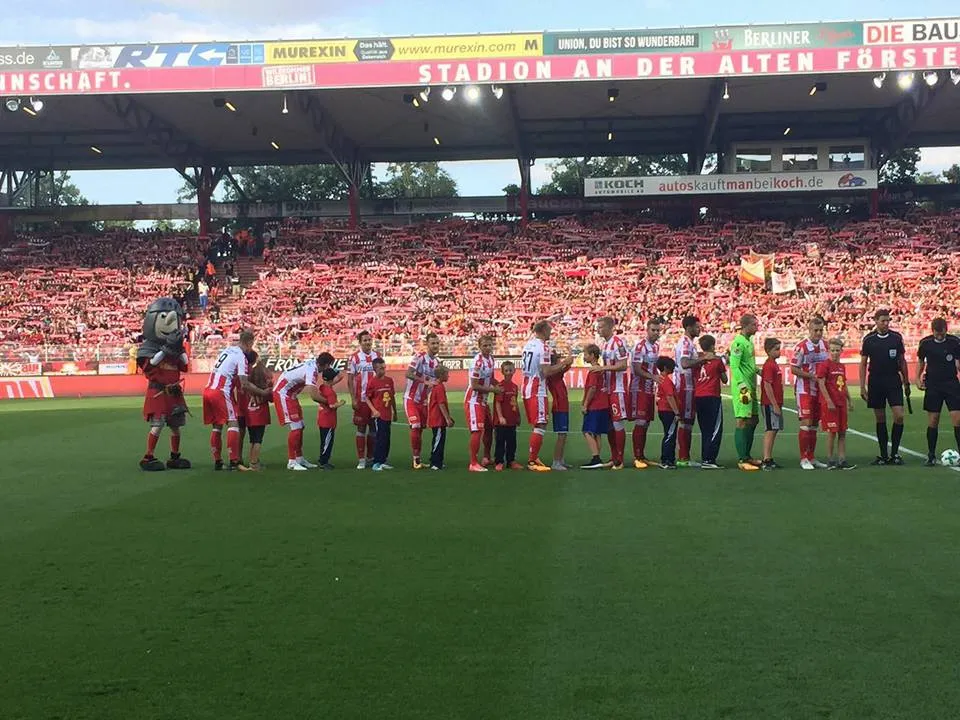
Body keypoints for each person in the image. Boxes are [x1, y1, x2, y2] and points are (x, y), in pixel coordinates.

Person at [203, 330, 269, 471]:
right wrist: (262, 392)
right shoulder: (241, 356)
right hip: (221, 391)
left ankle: (218, 462)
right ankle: (234, 462)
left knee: (217, 426)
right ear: (249, 343)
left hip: (208, 389)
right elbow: (244, 383)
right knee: (233, 423)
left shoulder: (227, 350)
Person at [520, 320, 573, 472]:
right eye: (549, 330)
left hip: (527, 385)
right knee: (540, 423)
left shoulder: (528, 345)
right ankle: (532, 460)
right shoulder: (543, 347)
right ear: (543, 331)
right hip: (537, 388)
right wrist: (564, 363)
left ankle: (534, 457)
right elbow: (547, 371)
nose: (551, 332)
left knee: (539, 423)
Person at [859, 309, 910, 465]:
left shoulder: (896, 338)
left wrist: (906, 381)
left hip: (893, 380)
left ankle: (894, 453)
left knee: (899, 416)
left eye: (888, 320)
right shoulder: (869, 339)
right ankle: (883, 455)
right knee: (880, 418)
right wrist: (862, 386)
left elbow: (902, 361)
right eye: (883, 321)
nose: (886, 323)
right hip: (876, 381)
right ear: (876, 321)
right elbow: (863, 363)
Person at [916, 318, 960, 466]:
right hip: (933, 385)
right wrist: (917, 378)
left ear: (946, 330)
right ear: (932, 331)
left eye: (942, 333)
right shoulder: (925, 343)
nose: (940, 336)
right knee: (933, 420)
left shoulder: (955, 342)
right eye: (937, 333)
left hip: (951, 384)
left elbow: (958, 362)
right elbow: (921, 362)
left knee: (957, 419)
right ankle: (931, 455)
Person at [272, 354, 326, 472]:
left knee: (300, 426)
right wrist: (328, 403)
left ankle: (299, 458)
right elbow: (313, 395)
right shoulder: (312, 370)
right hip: (283, 394)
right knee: (296, 428)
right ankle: (291, 462)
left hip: (291, 395)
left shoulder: (312, 364)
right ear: (325, 365)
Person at [791, 317, 830, 470]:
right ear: (809, 330)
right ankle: (803, 458)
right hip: (804, 389)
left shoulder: (826, 346)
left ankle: (812, 457)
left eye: (821, 330)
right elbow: (794, 369)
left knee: (814, 424)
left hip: (819, 390)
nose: (818, 333)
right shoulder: (801, 347)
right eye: (816, 330)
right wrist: (811, 376)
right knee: (806, 423)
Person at [596, 316, 630, 470]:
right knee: (610, 424)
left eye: (601, 327)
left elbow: (623, 365)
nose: (598, 329)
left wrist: (603, 368)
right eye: (598, 327)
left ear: (610, 328)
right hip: (608, 390)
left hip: (618, 389)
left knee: (617, 423)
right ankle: (614, 457)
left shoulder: (618, 343)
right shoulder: (605, 344)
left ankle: (620, 459)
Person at [403, 333, 441, 469]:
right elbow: (408, 373)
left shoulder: (437, 363)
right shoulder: (419, 357)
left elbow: (435, 382)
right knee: (415, 425)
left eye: (437, 343)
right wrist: (424, 381)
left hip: (424, 401)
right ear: (427, 344)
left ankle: (417, 459)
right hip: (411, 398)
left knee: (420, 429)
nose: (435, 346)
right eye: (433, 343)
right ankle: (416, 460)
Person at [817, 339, 857, 470]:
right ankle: (830, 459)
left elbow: (843, 385)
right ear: (828, 351)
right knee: (832, 432)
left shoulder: (841, 367)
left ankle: (842, 459)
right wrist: (828, 400)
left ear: (841, 351)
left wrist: (849, 400)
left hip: (841, 403)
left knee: (842, 431)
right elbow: (821, 383)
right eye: (832, 350)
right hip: (831, 404)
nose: (835, 353)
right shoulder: (825, 365)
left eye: (837, 350)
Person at [729, 314, 761, 472]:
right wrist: (742, 385)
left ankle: (747, 455)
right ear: (746, 326)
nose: (757, 327)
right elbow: (734, 366)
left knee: (753, 419)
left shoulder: (749, 342)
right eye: (754, 325)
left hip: (751, 386)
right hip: (742, 388)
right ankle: (742, 459)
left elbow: (748, 364)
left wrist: (759, 371)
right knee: (742, 420)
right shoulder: (738, 343)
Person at [674, 315, 706, 466]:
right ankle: (683, 458)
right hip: (685, 385)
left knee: (688, 421)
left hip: (688, 385)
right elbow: (685, 363)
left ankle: (684, 456)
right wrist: (702, 359)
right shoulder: (686, 343)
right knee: (685, 421)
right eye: (697, 326)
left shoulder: (689, 343)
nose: (699, 329)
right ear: (688, 327)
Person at [346, 330, 381, 470]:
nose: (368, 342)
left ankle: (370, 457)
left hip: (375, 400)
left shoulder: (377, 356)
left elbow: (381, 375)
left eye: (369, 340)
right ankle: (361, 459)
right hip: (361, 399)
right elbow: (350, 379)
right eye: (365, 340)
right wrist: (353, 398)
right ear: (360, 343)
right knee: (361, 428)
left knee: (373, 428)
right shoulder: (354, 358)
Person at [465, 335, 500, 472]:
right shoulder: (477, 362)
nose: (488, 348)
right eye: (485, 345)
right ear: (479, 347)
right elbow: (474, 385)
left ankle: (486, 457)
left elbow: (491, 378)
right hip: (474, 400)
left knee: (489, 428)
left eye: (490, 345)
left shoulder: (491, 359)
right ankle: (473, 463)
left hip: (484, 401)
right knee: (477, 430)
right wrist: (493, 390)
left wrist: (501, 385)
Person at [630, 319, 661, 469]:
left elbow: (653, 367)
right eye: (653, 330)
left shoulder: (656, 347)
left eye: (658, 330)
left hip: (649, 388)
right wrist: (653, 377)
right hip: (639, 388)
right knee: (641, 421)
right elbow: (637, 369)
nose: (656, 333)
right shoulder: (640, 347)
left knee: (646, 422)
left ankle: (642, 456)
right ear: (647, 330)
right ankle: (637, 457)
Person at [694, 335, 726, 469]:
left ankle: (705, 457)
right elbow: (725, 379)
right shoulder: (717, 361)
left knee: (705, 429)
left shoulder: (697, 361)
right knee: (715, 429)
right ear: (712, 346)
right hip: (712, 396)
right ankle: (709, 459)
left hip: (698, 396)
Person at [580, 344, 612, 470]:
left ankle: (596, 457)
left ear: (592, 355)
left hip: (595, 405)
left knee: (587, 431)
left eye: (586, 354)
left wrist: (585, 404)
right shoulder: (600, 369)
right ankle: (597, 458)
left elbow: (592, 388)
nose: (584, 356)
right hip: (603, 404)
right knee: (597, 433)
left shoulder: (594, 371)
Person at [366, 358, 398, 472]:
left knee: (386, 439)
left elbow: (392, 397)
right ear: (375, 369)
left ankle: (383, 461)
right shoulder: (372, 382)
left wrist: (395, 411)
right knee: (380, 438)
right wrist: (374, 410)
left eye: (384, 368)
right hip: (379, 415)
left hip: (388, 414)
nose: (383, 370)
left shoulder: (389, 380)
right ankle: (376, 462)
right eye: (380, 368)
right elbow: (367, 398)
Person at [760, 338, 784, 472]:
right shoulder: (769, 365)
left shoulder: (773, 364)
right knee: (770, 429)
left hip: (775, 402)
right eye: (776, 349)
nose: (779, 351)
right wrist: (774, 404)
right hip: (769, 403)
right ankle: (766, 459)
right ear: (769, 351)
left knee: (774, 429)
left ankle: (769, 457)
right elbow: (767, 385)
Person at [244, 353, 272, 471]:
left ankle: (252, 460)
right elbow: (271, 398)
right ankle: (254, 463)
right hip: (260, 416)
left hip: (249, 415)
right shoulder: (265, 388)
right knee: (258, 440)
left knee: (252, 440)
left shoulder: (249, 388)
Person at [493, 361, 523, 471]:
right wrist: (500, 417)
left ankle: (511, 461)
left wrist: (518, 415)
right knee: (500, 441)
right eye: (506, 370)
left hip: (512, 419)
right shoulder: (500, 387)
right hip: (502, 421)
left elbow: (515, 402)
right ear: (502, 372)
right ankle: (499, 461)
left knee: (512, 442)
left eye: (510, 370)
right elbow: (498, 403)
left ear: (514, 371)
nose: (509, 372)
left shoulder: (514, 386)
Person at [316, 368, 344, 470]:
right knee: (327, 442)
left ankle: (322, 460)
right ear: (332, 379)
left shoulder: (322, 387)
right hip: (328, 421)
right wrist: (341, 403)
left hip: (322, 418)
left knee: (324, 441)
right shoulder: (330, 392)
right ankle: (324, 462)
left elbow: (339, 377)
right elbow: (332, 405)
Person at [547, 351, 571, 471]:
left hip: (562, 406)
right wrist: (567, 361)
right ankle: (556, 461)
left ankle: (560, 460)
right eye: (558, 359)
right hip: (559, 407)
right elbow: (564, 367)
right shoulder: (553, 374)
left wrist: (568, 361)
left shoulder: (556, 373)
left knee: (563, 434)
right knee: (561, 435)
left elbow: (566, 367)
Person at [427, 365, 454, 470]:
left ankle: (438, 461)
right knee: (438, 440)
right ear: (441, 375)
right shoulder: (439, 387)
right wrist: (447, 418)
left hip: (438, 419)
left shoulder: (438, 386)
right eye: (447, 374)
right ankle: (435, 462)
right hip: (437, 419)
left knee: (440, 440)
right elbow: (441, 403)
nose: (448, 376)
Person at [656, 356, 680, 470]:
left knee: (669, 434)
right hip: (668, 411)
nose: (673, 368)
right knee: (670, 435)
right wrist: (677, 412)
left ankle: (669, 459)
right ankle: (666, 460)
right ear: (666, 367)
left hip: (664, 410)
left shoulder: (662, 379)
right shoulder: (666, 381)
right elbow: (670, 397)